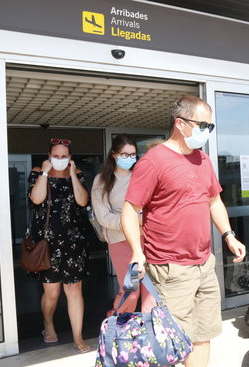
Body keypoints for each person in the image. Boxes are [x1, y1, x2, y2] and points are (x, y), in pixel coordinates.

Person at [121, 96, 246, 367]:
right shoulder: (154, 161)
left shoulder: (203, 160)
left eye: (210, 127)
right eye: (203, 125)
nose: (207, 132)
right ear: (180, 123)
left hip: (204, 263)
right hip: (171, 269)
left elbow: (214, 201)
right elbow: (130, 210)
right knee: (172, 343)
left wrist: (228, 235)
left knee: (203, 336)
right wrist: (136, 252)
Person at [27, 138, 91, 353]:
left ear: (70, 158)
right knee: (52, 292)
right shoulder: (38, 172)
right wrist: (44, 173)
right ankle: (48, 324)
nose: (60, 160)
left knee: (74, 289)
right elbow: (36, 199)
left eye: (64, 157)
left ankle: (78, 336)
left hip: (73, 242)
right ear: (49, 156)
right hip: (47, 242)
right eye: (56, 156)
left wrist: (72, 174)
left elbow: (83, 201)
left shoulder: (78, 174)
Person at [91, 134, 154, 315]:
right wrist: (132, 221)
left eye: (133, 154)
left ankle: (151, 330)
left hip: (147, 238)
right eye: (124, 154)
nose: (129, 158)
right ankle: (119, 323)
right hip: (120, 240)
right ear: (113, 154)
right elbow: (103, 217)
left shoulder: (141, 176)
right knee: (130, 290)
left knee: (150, 290)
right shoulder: (102, 180)